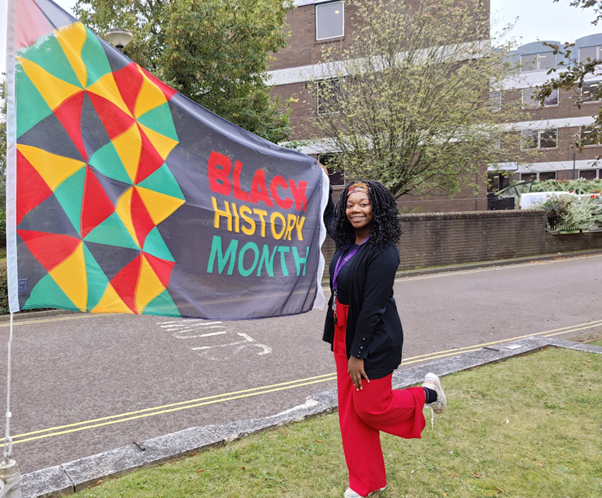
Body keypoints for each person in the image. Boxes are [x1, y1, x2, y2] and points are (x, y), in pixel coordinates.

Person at [321, 176, 447, 498]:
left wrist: (357, 353)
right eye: (350, 204)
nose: (355, 210)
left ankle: (428, 394)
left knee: (371, 408)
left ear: (377, 208)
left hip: (372, 338)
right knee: (351, 415)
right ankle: (367, 482)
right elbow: (327, 214)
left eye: (363, 204)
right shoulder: (347, 241)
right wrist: (319, 180)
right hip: (342, 330)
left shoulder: (384, 252)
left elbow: (374, 307)